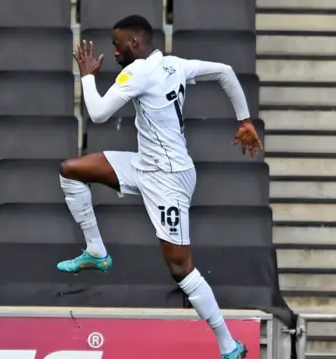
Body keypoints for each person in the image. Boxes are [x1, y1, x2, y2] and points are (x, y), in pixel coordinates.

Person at [58, 15, 262, 359]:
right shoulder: (174, 65)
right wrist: (244, 119)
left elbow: (97, 114)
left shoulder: (137, 73)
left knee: (180, 268)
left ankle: (228, 345)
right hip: (144, 165)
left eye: (117, 44)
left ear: (134, 43)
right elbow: (226, 71)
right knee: (71, 170)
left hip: (168, 178)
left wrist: (87, 77)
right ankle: (96, 251)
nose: (115, 51)